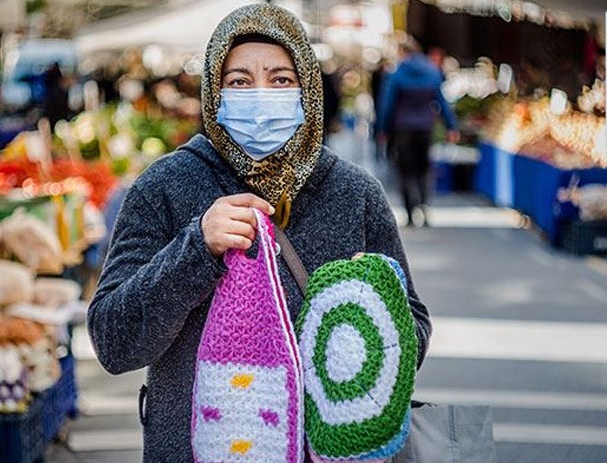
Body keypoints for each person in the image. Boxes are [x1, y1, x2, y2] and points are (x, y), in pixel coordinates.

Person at [87, 5, 431, 462]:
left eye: (281, 79)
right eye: (240, 82)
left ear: (307, 89)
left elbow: (413, 324)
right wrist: (195, 249)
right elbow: (113, 341)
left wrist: (362, 316)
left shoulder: (353, 193)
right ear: (214, 91)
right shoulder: (163, 188)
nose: (261, 94)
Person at [378, 36, 459, 227]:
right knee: (424, 168)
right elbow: (442, 101)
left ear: (404, 52)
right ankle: (424, 204)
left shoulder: (397, 72)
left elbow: (387, 103)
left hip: (403, 127)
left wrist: (382, 128)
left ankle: (409, 211)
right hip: (425, 126)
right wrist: (451, 126)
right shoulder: (432, 71)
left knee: (405, 170)